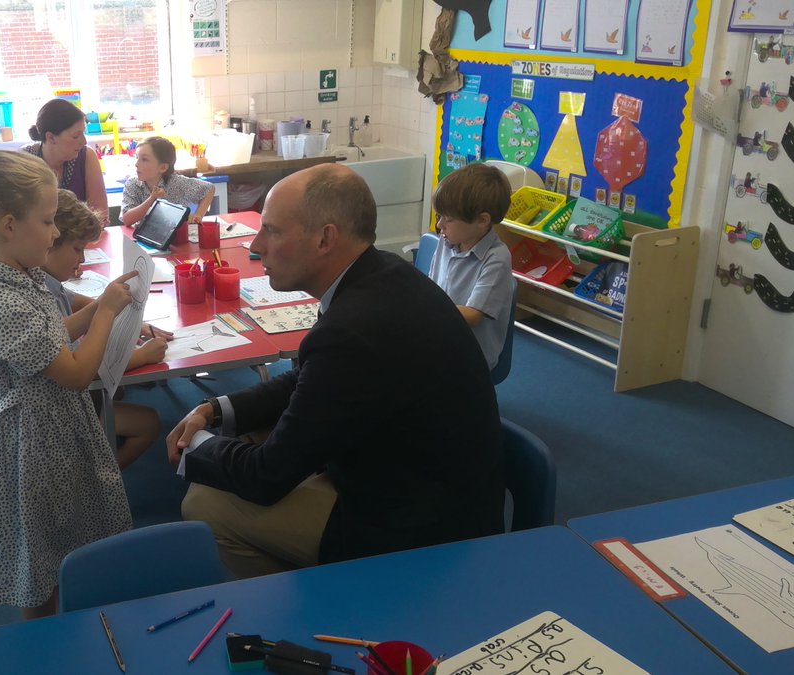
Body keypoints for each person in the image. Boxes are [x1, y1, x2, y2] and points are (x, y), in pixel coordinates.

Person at [167, 164, 504, 579]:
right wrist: (216, 410)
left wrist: (195, 445)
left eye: (272, 231)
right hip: (437, 486)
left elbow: (265, 478)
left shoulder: (354, 327)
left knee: (203, 503)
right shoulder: (385, 275)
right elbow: (312, 377)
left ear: (326, 238)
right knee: (246, 442)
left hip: (423, 537)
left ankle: (329, 602)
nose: (256, 245)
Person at [0, 150, 134, 619]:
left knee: (62, 547)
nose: (57, 232)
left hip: (53, 433)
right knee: (36, 564)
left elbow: (51, 336)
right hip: (31, 449)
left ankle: (65, 623)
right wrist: (104, 312)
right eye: (47, 220)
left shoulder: (17, 271)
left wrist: (100, 309)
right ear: (8, 225)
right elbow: (77, 372)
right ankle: (43, 641)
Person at [44, 189, 169, 469]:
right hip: (69, 409)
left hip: (67, 401)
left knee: (120, 390)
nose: (82, 260)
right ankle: (100, 480)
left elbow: (74, 300)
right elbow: (85, 374)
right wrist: (142, 357)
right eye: (77, 249)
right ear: (50, 242)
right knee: (150, 422)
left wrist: (119, 314)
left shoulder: (46, 283)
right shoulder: (39, 296)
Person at [427, 163, 514, 370]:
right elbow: (430, 289)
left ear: (482, 220)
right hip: (442, 335)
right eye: (439, 216)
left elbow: (473, 315)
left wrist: (422, 310)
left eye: (448, 219)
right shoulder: (446, 241)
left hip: (471, 353)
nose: (439, 226)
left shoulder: (497, 258)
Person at [22, 98, 109, 226]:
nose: (83, 141)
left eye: (83, 134)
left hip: (80, 241)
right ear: (51, 137)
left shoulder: (86, 156)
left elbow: (100, 216)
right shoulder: (26, 160)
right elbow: (23, 220)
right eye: (76, 136)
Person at [119, 136, 214, 229]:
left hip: (174, 236)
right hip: (143, 236)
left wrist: (198, 215)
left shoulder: (176, 182)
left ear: (163, 167)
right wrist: (152, 198)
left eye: (144, 159)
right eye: (136, 157)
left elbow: (209, 188)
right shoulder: (132, 184)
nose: (136, 164)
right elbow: (127, 219)